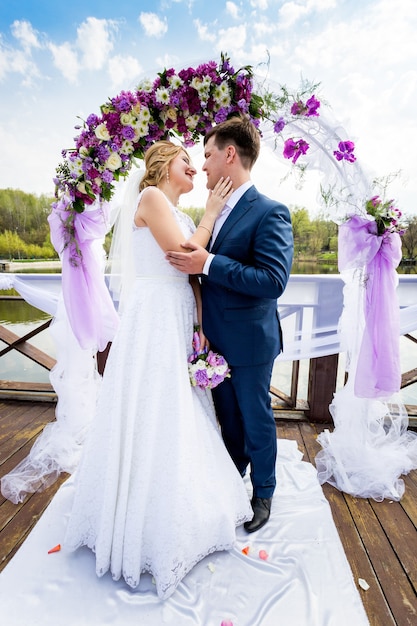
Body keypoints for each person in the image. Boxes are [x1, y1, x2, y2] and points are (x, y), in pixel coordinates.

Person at [63, 140, 252, 600]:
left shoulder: (179, 210)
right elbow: (182, 253)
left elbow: (194, 276)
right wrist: (211, 212)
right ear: (165, 166)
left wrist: (201, 323)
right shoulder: (150, 198)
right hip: (151, 318)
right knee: (150, 404)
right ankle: (135, 515)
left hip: (177, 315)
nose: (195, 168)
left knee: (179, 410)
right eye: (188, 162)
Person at [166, 116, 294, 533]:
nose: (202, 166)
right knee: (229, 419)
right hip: (214, 341)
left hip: (252, 341)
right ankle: (229, 480)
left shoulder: (271, 212)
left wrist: (210, 263)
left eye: (207, 156)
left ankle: (264, 493)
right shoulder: (213, 211)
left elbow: (273, 281)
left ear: (230, 154)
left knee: (256, 419)